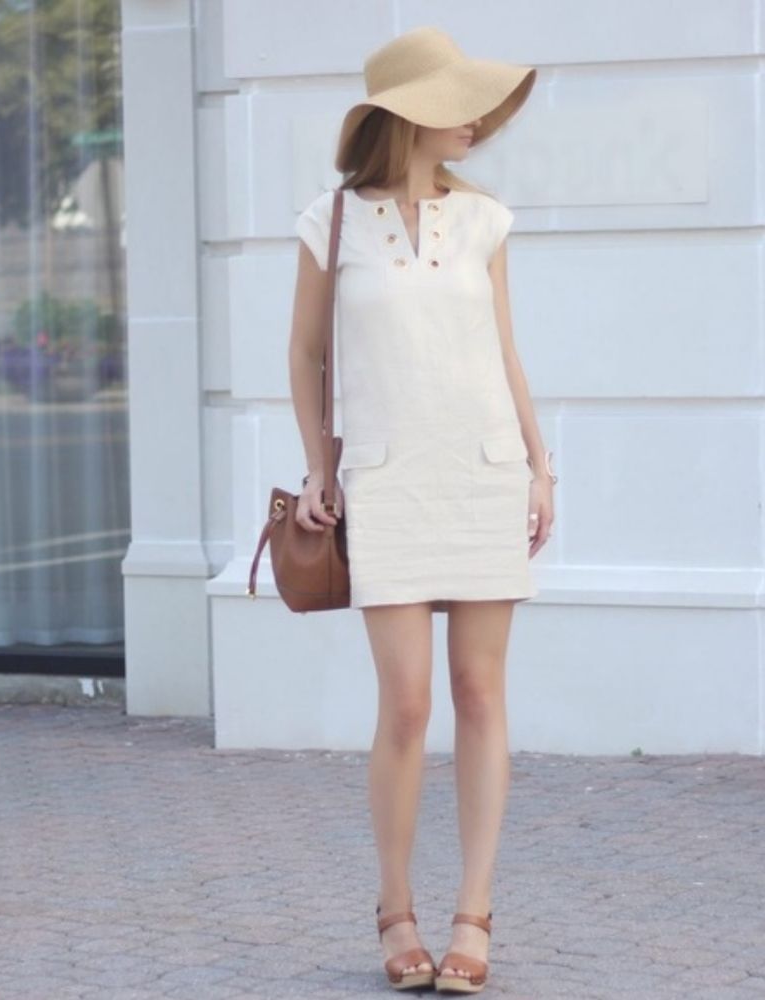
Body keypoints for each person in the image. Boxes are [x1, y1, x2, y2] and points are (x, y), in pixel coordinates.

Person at [288, 28, 555, 995]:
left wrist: (538, 467)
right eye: (458, 100)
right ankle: (394, 909)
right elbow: (308, 357)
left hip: (483, 474)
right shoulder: (331, 222)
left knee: (482, 698)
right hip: (390, 482)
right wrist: (320, 468)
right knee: (406, 706)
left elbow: (507, 353)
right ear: (406, 113)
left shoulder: (486, 221)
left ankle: (473, 916)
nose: (476, 118)